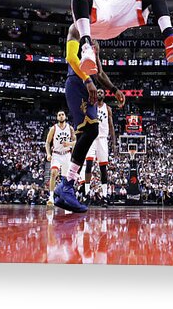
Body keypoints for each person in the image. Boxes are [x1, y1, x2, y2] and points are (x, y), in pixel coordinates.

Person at [54, 25, 125, 213]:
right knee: (91, 130)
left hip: (90, 85)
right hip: (78, 83)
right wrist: (87, 80)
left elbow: (99, 72)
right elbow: (71, 57)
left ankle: (64, 189)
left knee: (90, 132)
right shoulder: (76, 29)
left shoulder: (96, 38)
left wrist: (114, 89)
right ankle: (67, 185)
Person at [83, 89, 117, 205]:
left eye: (101, 92)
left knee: (103, 169)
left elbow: (111, 126)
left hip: (102, 139)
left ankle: (105, 196)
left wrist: (114, 143)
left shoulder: (108, 108)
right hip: (91, 138)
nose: (99, 94)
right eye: (98, 92)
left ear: (105, 95)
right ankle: (86, 194)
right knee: (88, 165)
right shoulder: (90, 107)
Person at [45, 110, 76, 207]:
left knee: (66, 179)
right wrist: (48, 154)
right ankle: (51, 197)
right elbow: (47, 143)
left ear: (65, 116)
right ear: (57, 117)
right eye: (59, 115)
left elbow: (76, 141)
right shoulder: (53, 128)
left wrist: (69, 144)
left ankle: (65, 197)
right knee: (54, 173)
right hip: (56, 154)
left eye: (62, 114)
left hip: (67, 154)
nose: (61, 116)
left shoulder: (70, 128)